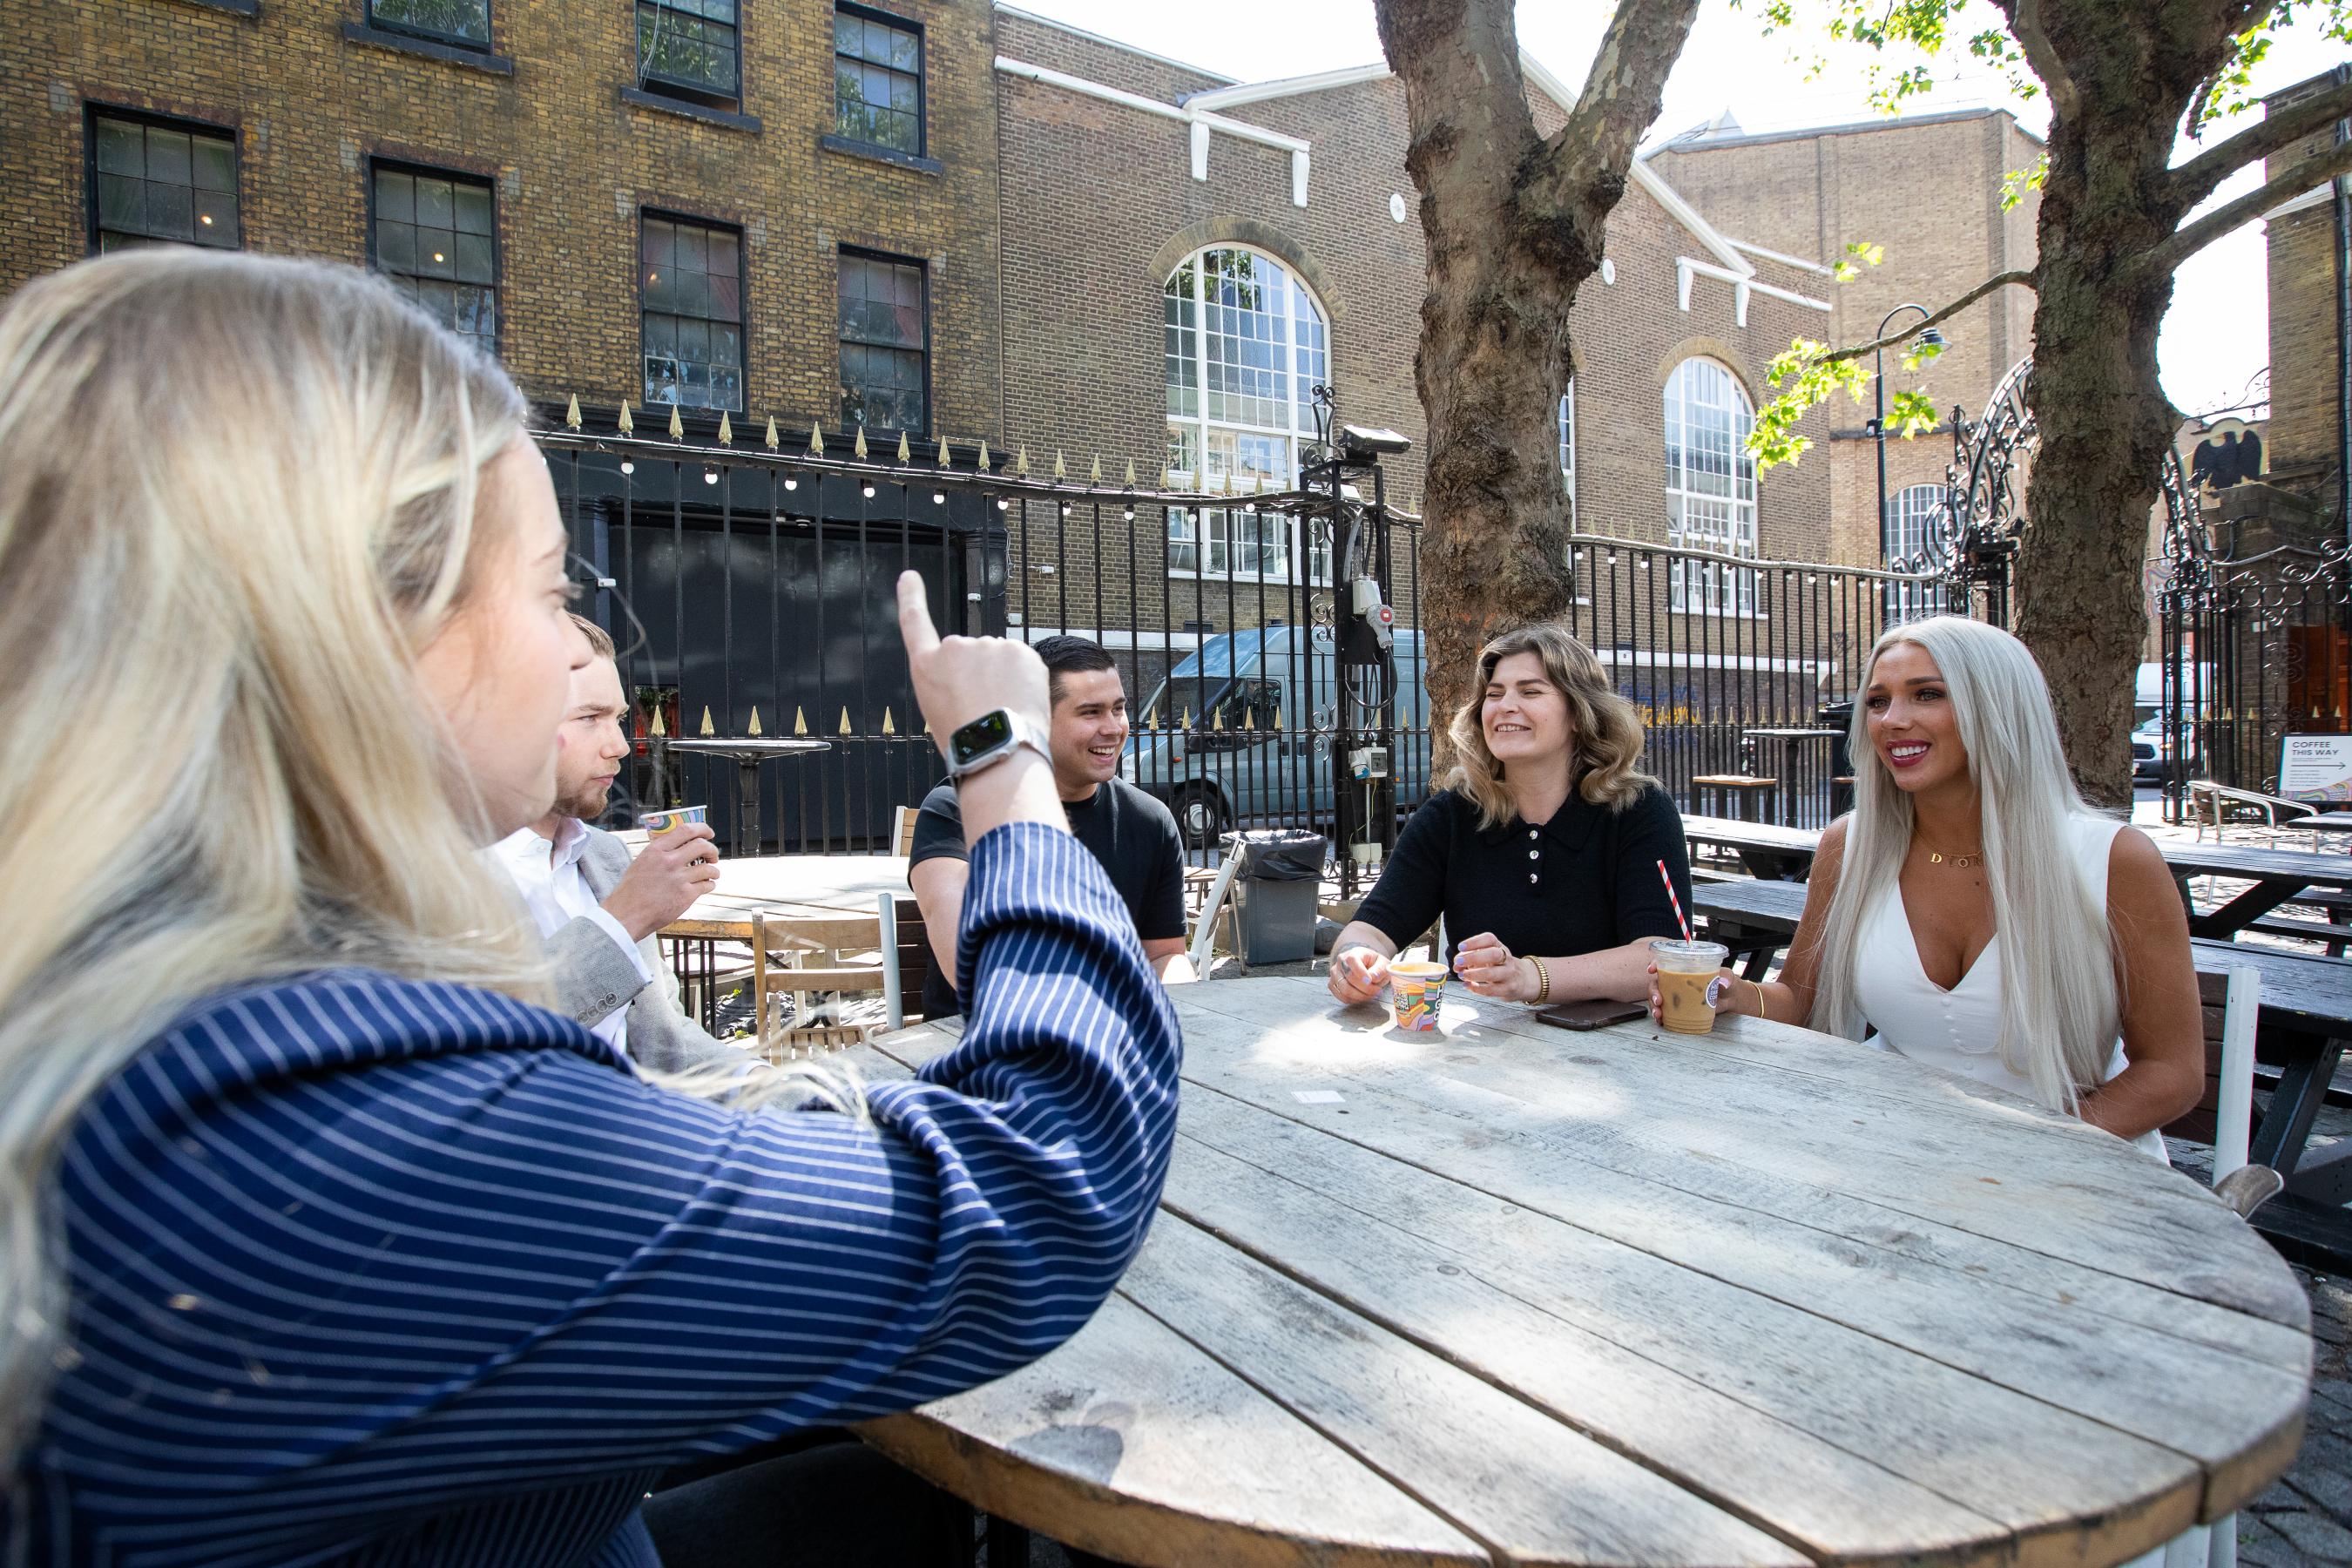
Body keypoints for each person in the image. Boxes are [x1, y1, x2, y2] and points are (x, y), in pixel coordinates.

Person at [0, 250, 1180, 1566]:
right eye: (556, 590)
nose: (577, 649)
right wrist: (1001, 758)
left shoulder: (160, 997)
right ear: (363, 622)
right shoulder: (322, 1115)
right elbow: (1039, 1202)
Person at [1658, 616, 2204, 1158]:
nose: (1893, 720)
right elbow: (1803, 1000)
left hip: (2078, 1162)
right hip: (1902, 1153)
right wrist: (1731, 993)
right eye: (1877, 701)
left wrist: (2031, 1152)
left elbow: (2171, 1073)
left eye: (1928, 694)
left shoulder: (2113, 859)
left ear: (1999, 708)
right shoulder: (1849, 849)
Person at [1328, 622, 1693, 1009]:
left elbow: (1662, 957)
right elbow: (1372, 928)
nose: (1505, 706)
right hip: (1480, 1049)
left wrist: (1530, 977)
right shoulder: (1452, 815)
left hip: (1619, 1050)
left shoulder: (1638, 809)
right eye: (1494, 694)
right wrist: (1354, 960)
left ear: (1579, 713)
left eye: (1531, 691)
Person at [487, 612, 741, 1073]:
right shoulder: (430, 877)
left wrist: (761, 1081)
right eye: (589, 718)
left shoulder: (604, 857)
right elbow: (485, 1040)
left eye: (619, 717)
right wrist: (626, 917)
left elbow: (666, 1045)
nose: (620, 746)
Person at [909, 633, 1194, 1017]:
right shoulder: (955, 809)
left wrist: (1179, 1011)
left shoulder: (1149, 821)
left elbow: (1164, 956)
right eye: (1090, 712)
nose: (1114, 728)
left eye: (1119, 708)